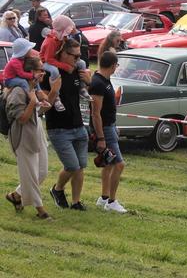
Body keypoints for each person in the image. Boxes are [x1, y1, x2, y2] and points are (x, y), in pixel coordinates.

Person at [44, 38, 92, 211]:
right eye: (74, 55)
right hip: (58, 128)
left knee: (80, 166)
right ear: (63, 53)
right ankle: (57, 190)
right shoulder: (51, 73)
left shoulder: (76, 70)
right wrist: (54, 91)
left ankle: (76, 202)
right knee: (72, 165)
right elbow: (43, 105)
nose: (78, 59)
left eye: (80, 55)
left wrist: (89, 81)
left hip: (78, 126)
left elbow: (88, 93)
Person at [4, 56, 53, 220]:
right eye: (40, 70)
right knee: (30, 174)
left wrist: (43, 107)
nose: (43, 73)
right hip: (23, 136)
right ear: (30, 72)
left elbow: (34, 115)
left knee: (42, 172)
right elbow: (22, 119)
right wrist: (32, 103)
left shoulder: (33, 88)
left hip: (36, 131)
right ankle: (41, 211)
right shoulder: (18, 91)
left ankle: (16, 196)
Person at [90, 51, 127, 213]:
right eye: (116, 65)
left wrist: (114, 125)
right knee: (119, 164)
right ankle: (112, 202)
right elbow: (95, 113)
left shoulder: (105, 80)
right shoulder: (98, 83)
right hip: (105, 129)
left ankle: (103, 198)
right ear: (112, 65)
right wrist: (101, 137)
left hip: (110, 126)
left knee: (109, 163)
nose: (116, 68)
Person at [40, 15, 92, 111]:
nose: (67, 34)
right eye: (66, 31)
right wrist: (65, 66)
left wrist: (88, 81)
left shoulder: (62, 37)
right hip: (45, 61)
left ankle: (82, 88)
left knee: (82, 63)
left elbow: (68, 45)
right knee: (54, 71)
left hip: (56, 59)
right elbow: (48, 59)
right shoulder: (50, 41)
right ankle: (56, 99)